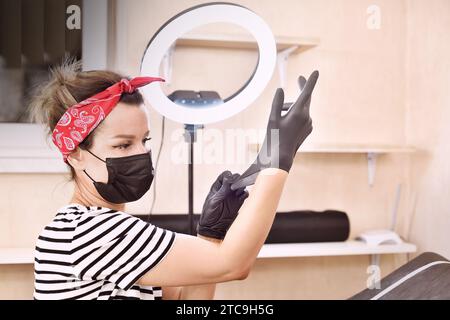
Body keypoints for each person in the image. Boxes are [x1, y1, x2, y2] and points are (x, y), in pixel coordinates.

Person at [30, 58, 318, 299]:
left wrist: (210, 235)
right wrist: (281, 157)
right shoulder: (87, 232)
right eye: (123, 145)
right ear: (75, 154)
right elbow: (233, 265)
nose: (142, 154)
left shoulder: (107, 230)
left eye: (145, 140)